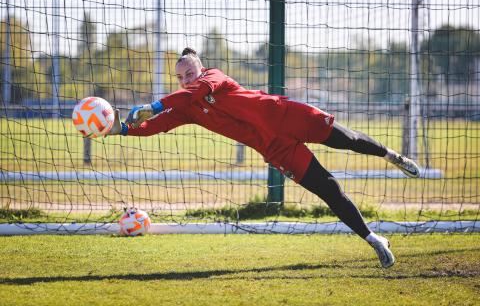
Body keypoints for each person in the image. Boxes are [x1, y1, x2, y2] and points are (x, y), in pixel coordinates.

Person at [109, 47, 421, 268]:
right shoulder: (187, 108)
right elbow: (153, 126)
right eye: (180, 77)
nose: (186, 79)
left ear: (201, 69)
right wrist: (119, 129)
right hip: (275, 149)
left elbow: (185, 96)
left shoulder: (214, 78)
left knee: (349, 140)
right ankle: (374, 240)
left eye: (189, 72)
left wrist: (155, 105)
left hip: (286, 116)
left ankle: (390, 155)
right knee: (328, 188)